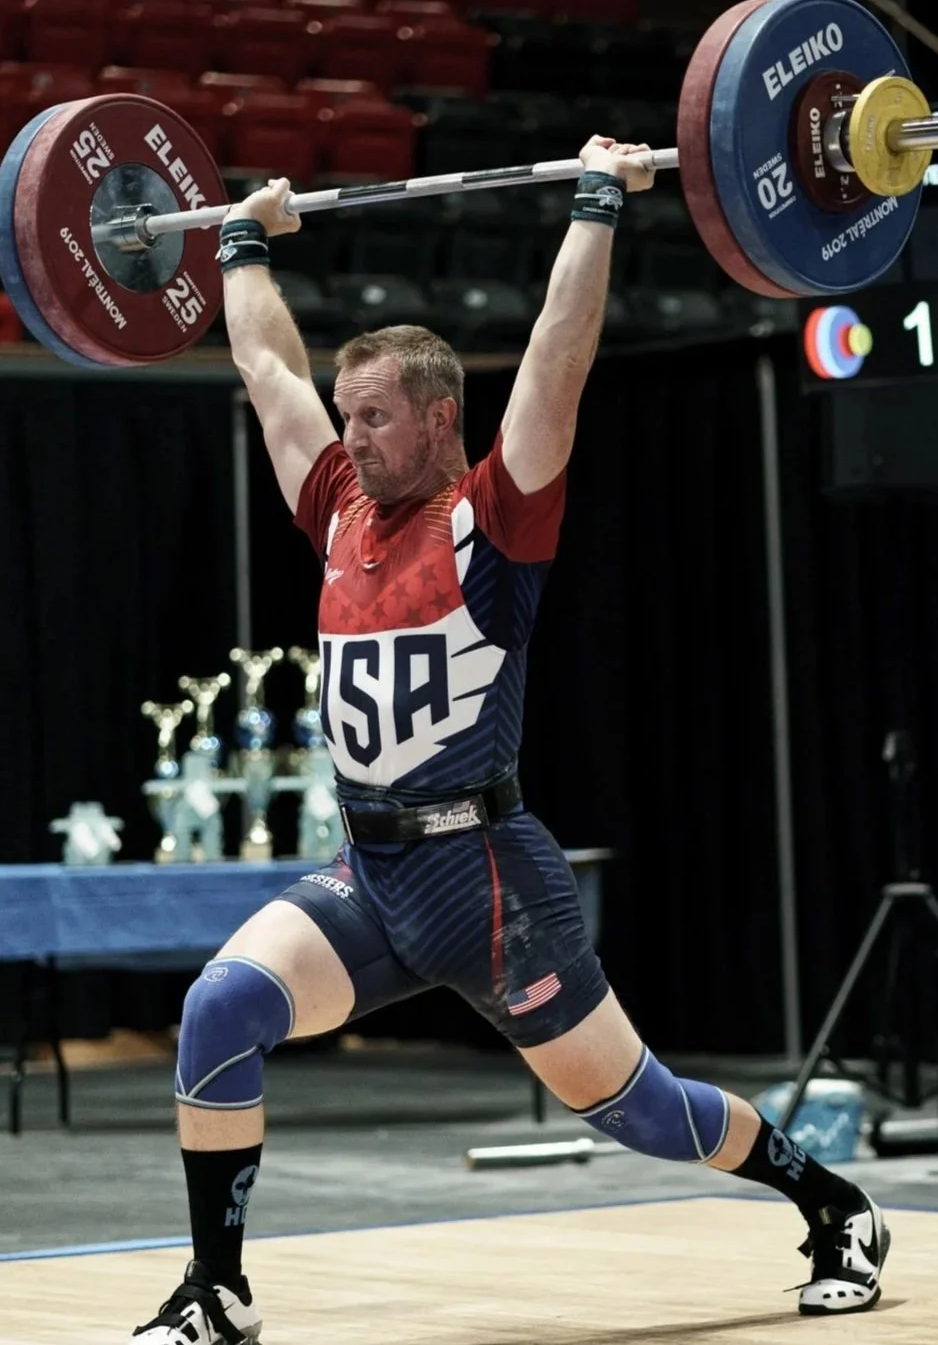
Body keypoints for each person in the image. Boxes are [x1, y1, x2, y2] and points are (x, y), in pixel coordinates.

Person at [131, 136, 889, 1345]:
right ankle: (216, 1293)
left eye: (374, 418)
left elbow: (557, 357)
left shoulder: (494, 516)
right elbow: (267, 366)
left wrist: (596, 205)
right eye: (349, 416)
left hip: (488, 884)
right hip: (372, 873)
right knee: (220, 1009)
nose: (353, 436)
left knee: (637, 1107)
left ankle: (833, 1202)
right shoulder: (337, 509)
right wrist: (239, 242)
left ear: (437, 418)